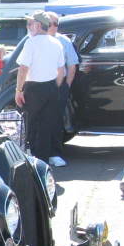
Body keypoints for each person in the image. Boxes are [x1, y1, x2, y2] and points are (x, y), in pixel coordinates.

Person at [15, 11, 65, 163]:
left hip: (33, 87)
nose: (29, 27)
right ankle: (41, 161)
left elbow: (23, 68)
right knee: (45, 126)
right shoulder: (56, 42)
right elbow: (61, 71)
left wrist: (18, 90)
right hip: (51, 87)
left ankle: (28, 159)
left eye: (30, 24)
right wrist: (54, 87)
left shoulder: (31, 42)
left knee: (30, 124)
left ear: (37, 25)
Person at [45, 11, 79, 167]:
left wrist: (66, 86)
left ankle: (55, 153)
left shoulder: (63, 41)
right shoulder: (34, 39)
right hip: (38, 85)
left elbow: (72, 66)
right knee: (36, 120)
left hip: (58, 85)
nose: (53, 27)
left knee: (56, 121)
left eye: (56, 23)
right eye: (50, 23)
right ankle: (37, 151)